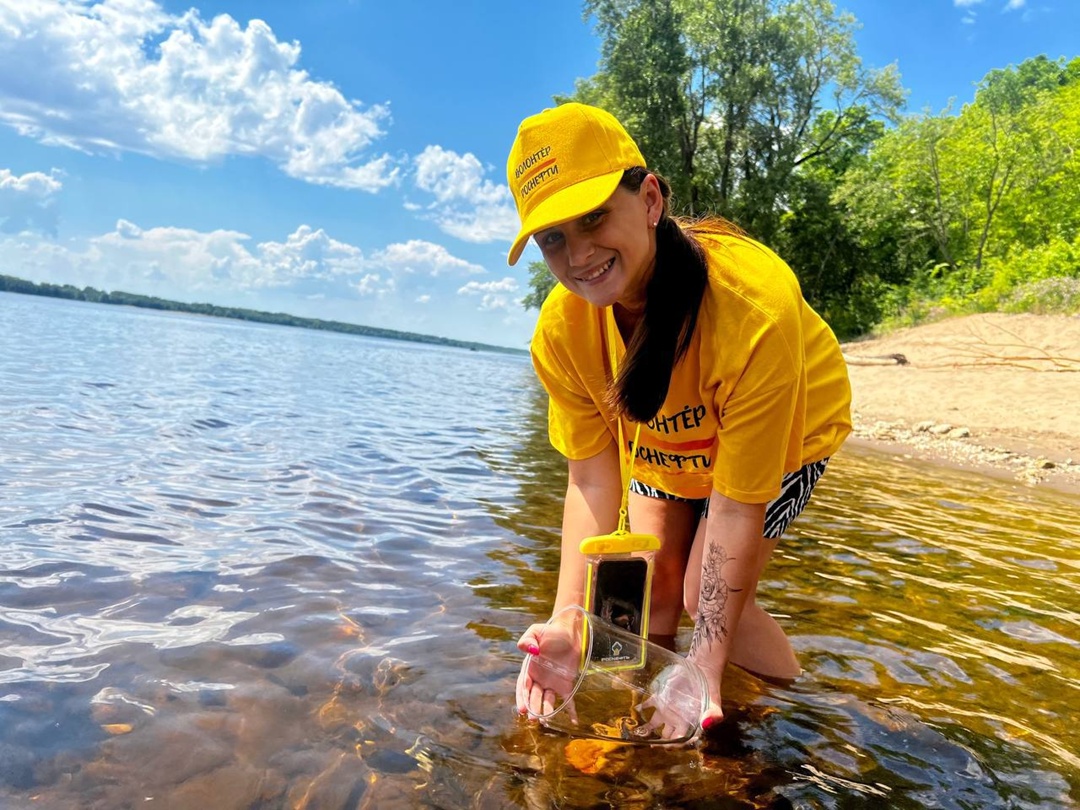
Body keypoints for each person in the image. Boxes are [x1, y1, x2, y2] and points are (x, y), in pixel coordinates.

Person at [508, 102, 852, 732]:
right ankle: (632, 727)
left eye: (593, 218)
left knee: (702, 595)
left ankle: (801, 718)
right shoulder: (560, 331)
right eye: (553, 238)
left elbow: (736, 505)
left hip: (790, 437)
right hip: (667, 444)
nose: (578, 255)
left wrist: (704, 671)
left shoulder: (753, 309)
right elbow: (590, 476)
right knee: (642, 597)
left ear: (649, 199)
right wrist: (565, 622)